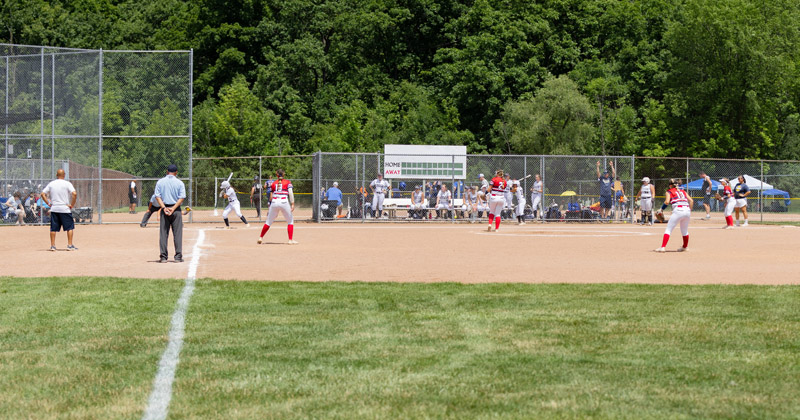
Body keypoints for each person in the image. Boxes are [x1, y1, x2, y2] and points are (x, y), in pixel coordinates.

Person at [154, 164, 186, 263]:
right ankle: (178, 257)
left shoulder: (160, 182)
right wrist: (173, 208)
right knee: (177, 234)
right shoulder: (180, 183)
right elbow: (181, 198)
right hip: (175, 210)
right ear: (176, 172)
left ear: (167, 171)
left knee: (163, 234)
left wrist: (164, 207)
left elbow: (157, 196)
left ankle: (163, 257)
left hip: (164, 209)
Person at [40, 169, 78, 251]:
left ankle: (53, 246)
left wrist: (48, 203)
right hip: (65, 208)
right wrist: (72, 204)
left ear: (57, 175)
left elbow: (42, 194)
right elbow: (74, 194)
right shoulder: (67, 183)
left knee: (53, 228)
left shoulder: (52, 183)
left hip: (54, 208)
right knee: (69, 227)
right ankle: (70, 245)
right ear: (64, 175)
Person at [258, 169, 297, 245]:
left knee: (268, 222)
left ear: (276, 175)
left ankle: (260, 237)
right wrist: (292, 203)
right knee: (290, 221)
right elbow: (290, 193)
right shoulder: (288, 182)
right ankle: (290, 240)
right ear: (284, 174)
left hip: (274, 202)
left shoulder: (273, 183)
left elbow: (271, 196)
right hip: (284, 202)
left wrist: (270, 206)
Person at [654, 178, 693, 252]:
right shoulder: (683, 191)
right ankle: (685, 247)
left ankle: (662, 247)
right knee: (684, 230)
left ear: (670, 185)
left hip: (678, 210)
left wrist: (661, 209)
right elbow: (691, 201)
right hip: (687, 210)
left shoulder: (669, 191)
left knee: (668, 229)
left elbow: (666, 202)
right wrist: (689, 210)